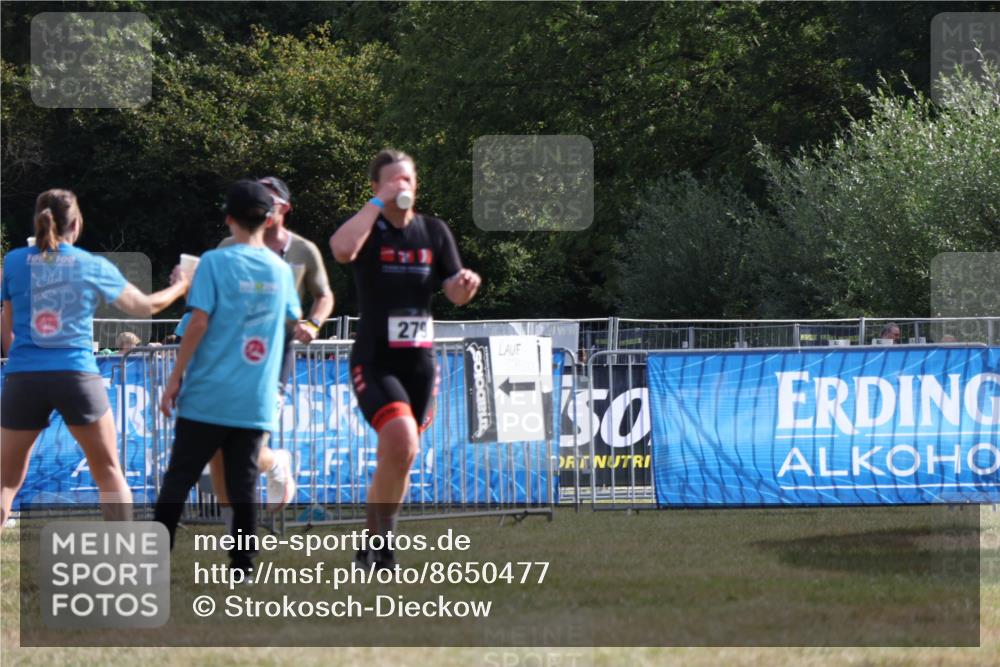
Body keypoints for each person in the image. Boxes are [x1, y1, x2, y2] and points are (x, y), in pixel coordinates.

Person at [1, 189, 189, 528]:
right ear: (76, 224)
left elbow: (7, 322)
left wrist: (17, 361)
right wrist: (182, 285)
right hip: (76, 375)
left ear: (37, 220)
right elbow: (145, 306)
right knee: (108, 471)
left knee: (6, 483)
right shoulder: (90, 265)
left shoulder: (13, 261)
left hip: (23, 376)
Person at [330, 149, 481, 569]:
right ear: (376, 186)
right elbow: (341, 249)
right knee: (401, 439)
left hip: (419, 364)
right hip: (375, 359)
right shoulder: (368, 229)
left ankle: (372, 545)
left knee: (400, 456)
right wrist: (376, 204)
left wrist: (465, 285)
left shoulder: (433, 231)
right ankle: (382, 548)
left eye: (409, 180)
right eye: (394, 180)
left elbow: (454, 291)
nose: (403, 186)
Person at [154, 180, 301, 577]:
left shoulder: (213, 263)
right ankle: (243, 568)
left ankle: (153, 562)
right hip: (254, 396)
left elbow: (198, 322)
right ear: (268, 219)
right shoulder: (281, 270)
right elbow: (292, 320)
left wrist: (175, 378)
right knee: (243, 485)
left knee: (179, 478)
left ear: (228, 218)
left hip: (206, 394)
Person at [175, 176, 334, 514]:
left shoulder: (303, 249)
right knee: (218, 450)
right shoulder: (226, 246)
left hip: (273, 353)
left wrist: (313, 323)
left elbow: (324, 295)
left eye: (270, 200)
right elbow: (208, 299)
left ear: (285, 208)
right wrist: (185, 285)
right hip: (227, 351)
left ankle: (275, 462)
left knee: (246, 448)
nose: (262, 206)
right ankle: (234, 528)